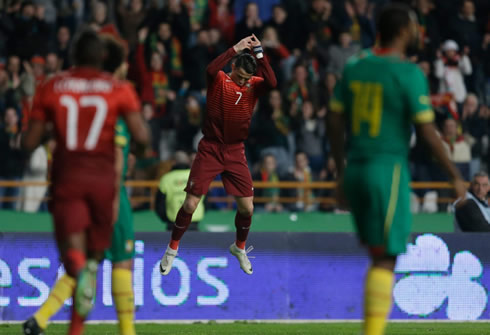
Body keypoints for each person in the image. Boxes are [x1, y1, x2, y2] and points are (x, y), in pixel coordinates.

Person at [327, 4, 466, 335]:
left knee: (377, 255)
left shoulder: (355, 65)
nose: (419, 32)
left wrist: (341, 170)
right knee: (386, 259)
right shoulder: (408, 73)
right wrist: (454, 175)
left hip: (356, 168)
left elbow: (333, 118)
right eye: (416, 26)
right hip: (386, 171)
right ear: (404, 30)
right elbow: (429, 134)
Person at [22, 30, 150, 335]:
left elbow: (31, 140)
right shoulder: (115, 94)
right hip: (107, 188)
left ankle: (42, 318)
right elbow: (124, 148)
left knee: (78, 261)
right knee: (121, 261)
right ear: (108, 61)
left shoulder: (57, 87)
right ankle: (127, 331)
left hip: (67, 182)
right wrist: (119, 190)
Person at [159, 34, 277, 276]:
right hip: (211, 148)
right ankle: (172, 249)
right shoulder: (219, 80)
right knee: (191, 203)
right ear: (232, 68)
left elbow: (273, 83)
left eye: (247, 79)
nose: (244, 82)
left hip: (235, 151)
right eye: (241, 77)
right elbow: (211, 67)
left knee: (247, 209)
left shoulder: (253, 86)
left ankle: (239, 247)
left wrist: (260, 53)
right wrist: (235, 48)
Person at [155, 151, 205, 231]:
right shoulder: (197, 176)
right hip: (194, 223)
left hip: (173, 224)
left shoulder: (166, 178)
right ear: (188, 161)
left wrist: (166, 219)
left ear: (173, 162)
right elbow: (206, 200)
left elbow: (159, 204)